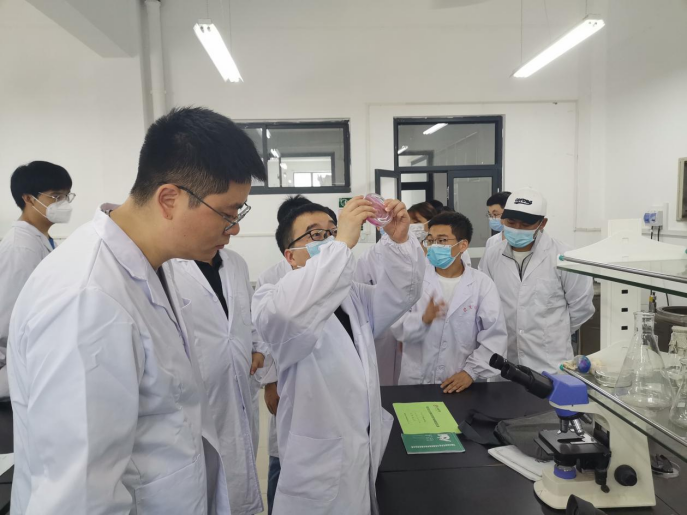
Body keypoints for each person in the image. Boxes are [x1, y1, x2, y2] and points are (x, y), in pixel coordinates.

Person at [7, 107, 265, 513]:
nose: (234, 229)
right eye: (227, 213)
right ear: (169, 199)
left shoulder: (154, 268)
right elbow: (78, 496)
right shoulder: (87, 298)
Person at [252, 196, 424, 515]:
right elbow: (294, 313)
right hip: (318, 462)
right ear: (290, 256)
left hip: (360, 444)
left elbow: (403, 293)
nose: (330, 239)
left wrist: (399, 241)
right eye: (317, 234)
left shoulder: (352, 296)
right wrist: (342, 242)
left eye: (333, 231)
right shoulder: (271, 299)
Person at [255, 194, 338, 515]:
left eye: (327, 231)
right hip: (288, 379)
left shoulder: (341, 272)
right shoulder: (272, 276)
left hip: (327, 382)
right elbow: (267, 335)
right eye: (313, 232)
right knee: (284, 454)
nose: (323, 239)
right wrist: (270, 381)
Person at [172, 242, 268, 513]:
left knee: (241, 462)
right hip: (199, 391)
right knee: (207, 477)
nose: (232, 229)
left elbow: (248, 314)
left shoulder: (235, 262)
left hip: (240, 381)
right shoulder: (170, 267)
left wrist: (258, 348)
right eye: (226, 221)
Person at [479, 187, 595, 374]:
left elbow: (582, 308)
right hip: (505, 360)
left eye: (525, 224)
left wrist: (552, 331)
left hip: (549, 362)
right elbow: (486, 301)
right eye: (511, 222)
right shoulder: (492, 255)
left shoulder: (565, 257)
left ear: (542, 223)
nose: (517, 229)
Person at [391, 212, 507, 392]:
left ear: (463, 245)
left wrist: (470, 372)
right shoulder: (413, 279)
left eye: (442, 240)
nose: (434, 246)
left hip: (461, 383)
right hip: (416, 380)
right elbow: (397, 328)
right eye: (431, 240)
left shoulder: (482, 285)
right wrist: (423, 320)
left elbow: (494, 336)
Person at [0, 161, 74, 400]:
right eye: (56, 196)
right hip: (17, 369)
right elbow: (7, 320)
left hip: (36, 360)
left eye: (66, 196)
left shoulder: (42, 239)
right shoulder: (21, 248)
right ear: (28, 198)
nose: (63, 203)